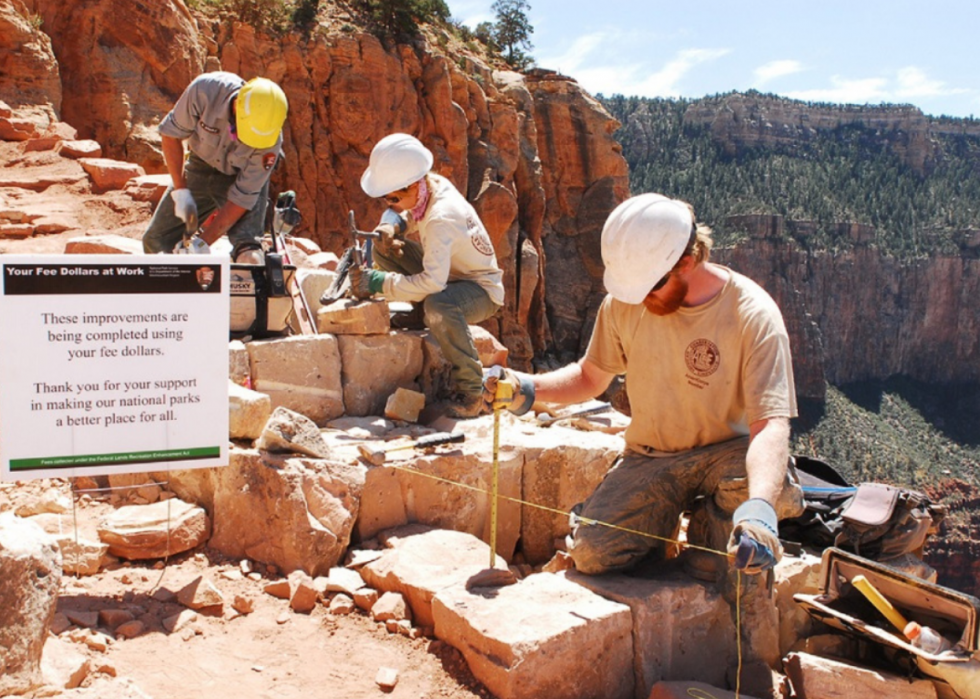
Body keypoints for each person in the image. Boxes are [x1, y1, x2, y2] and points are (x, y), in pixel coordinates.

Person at [484, 193, 804, 697]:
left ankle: (720, 539)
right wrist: (528, 388)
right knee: (593, 553)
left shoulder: (752, 313)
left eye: (653, 285)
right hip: (653, 457)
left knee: (733, 555)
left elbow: (770, 425)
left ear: (687, 259)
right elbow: (590, 377)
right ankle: (662, 530)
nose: (642, 299)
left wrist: (761, 507)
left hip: (728, 457)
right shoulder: (626, 304)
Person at [351, 133, 504, 419]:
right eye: (387, 198)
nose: (391, 202)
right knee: (384, 250)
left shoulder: (441, 218)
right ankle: (420, 312)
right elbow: (410, 211)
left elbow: (434, 283)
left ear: (413, 185)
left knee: (439, 305)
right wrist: (392, 225)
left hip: (479, 290)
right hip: (451, 275)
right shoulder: (432, 184)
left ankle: (472, 392)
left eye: (394, 197)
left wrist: (378, 283)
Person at [142, 72, 288, 263]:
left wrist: (201, 244)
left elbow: (243, 197)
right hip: (199, 166)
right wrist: (181, 191)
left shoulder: (270, 141)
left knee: (249, 252)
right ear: (237, 107)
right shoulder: (205, 91)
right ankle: (171, 288)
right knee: (155, 240)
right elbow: (171, 135)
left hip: (238, 176)